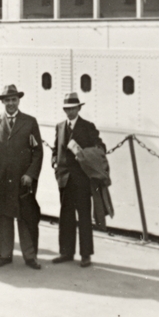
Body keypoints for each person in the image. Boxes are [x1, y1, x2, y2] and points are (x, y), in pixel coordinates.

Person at [0, 84, 44, 269]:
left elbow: (38, 152)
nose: (10, 103)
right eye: (7, 100)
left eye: (14, 99)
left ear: (19, 100)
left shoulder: (30, 122)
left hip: (22, 181)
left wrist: (30, 174)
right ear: (2, 102)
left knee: (26, 218)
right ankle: (4, 255)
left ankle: (30, 257)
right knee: (3, 218)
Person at [52, 92, 105, 267]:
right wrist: (54, 164)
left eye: (73, 108)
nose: (70, 112)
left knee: (84, 217)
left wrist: (85, 154)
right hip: (64, 180)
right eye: (67, 109)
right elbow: (55, 149)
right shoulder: (60, 127)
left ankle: (85, 254)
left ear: (79, 108)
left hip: (82, 180)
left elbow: (100, 147)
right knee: (65, 217)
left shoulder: (88, 127)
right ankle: (66, 252)